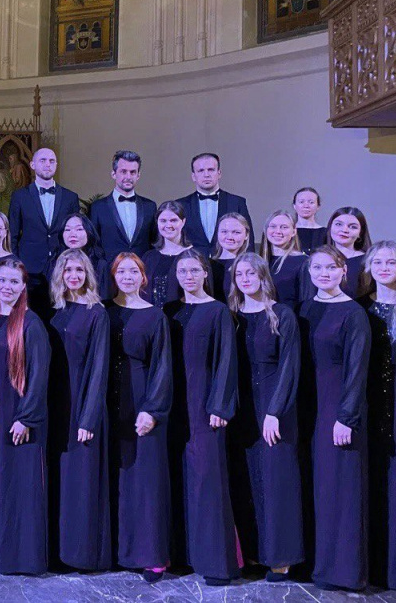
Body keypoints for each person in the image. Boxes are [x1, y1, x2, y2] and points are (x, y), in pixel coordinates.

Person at [226, 253, 304, 582]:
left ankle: (281, 559)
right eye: (239, 274)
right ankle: (255, 553)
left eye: (251, 273)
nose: (245, 279)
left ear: (262, 276)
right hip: (242, 409)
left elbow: (290, 366)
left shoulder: (281, 314)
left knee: (276, 482)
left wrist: (275, 411)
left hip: (273, 407)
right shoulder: (231, 316)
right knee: (247, 480)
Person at [165, 248, 239, 586]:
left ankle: (215, 563)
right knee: (177, 478)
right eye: (183, 271)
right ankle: (182, 556)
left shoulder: (218, 311)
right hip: (173, 406)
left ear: (206, 273)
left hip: (204, 405)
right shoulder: (170, 311)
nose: (188, 276)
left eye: (194, 270)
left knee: (207, 479)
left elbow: (226, 360)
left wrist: (219, 406)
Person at [298, 246, 370, 591]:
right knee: (314, 488)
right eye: (317, 268)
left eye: (330, 267)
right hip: (306, 409)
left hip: (336, 408)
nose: (323, 273)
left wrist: (346, 416)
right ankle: (314, 564)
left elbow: (357, 369)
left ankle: (342, 572)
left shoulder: (353, 313)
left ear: (344, 271)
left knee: (339, 488)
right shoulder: (303, 308)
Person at [0, 258, 49, 575]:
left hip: (17, 417)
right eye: (3, 280)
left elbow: (39, 375)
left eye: (14, 282)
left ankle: (21, 558)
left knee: (19, 487)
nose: (7, 286)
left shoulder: (31, 324)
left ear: (23, 287)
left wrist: (26, 418)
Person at [106, 252, 172, 583]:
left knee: (145, 478)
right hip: (108, 400)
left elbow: (162, 366)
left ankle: (151, 556)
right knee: (114, 475)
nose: (128, 277)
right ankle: (117, 552)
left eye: (134, 271)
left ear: (143, 278)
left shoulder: (155, 315)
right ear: (113, 276)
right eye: (122, 271)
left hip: (142, 399)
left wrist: (152, 410)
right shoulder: (103, 311)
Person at [47, 249, 111, 572]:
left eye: (79, 270)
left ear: (88, 274)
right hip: (56, 409)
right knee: (60, 481)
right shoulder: (55, 312)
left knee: (82, 482)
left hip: (82, 410)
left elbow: (99, 368)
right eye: (68, 270)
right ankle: (59, 553)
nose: (74, 276)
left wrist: (88, 418)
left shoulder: (96, 313)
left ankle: (83, 556)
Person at [363, 240, 396, 589]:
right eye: (378, 262)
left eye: (391, 262)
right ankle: (373, 567)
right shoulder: (360, 307)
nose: (384, 268)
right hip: (369, 402)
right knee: (372, 478)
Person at [8, 148, 80, 317]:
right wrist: (17, 264)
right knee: (30, 320)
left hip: (61, 268)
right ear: (32, 165)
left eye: (52, 161)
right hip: (29, 269)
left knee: (61, 319)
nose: (48, 164)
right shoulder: (20, 196)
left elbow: (75, 236)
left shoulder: (70, 197)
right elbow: (12, 234)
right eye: (43, 160)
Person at [176, 153, 252, 255]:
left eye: (211, 170)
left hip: (229, 261)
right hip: (193, 261)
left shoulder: (237, 202)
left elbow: (249, 239)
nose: (206, 175)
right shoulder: (180, 205)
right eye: (201, 171)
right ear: (193, 176)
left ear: (219, 173)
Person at [90, 151, 157, 261]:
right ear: (113, 174)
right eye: (123, 171)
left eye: (132, 172)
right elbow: (94, 244)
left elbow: (154, 242)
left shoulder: (150, 206)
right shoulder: (98, 207)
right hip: (109, 269)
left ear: (138, 175)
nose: (128, 177)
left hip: (142, 268)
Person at [142, 201, 192, 306]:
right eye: (163, 221)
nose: (168, 225)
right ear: (157, 222)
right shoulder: (149, 257)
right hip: (152, 315)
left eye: (173, 220)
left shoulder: (194, 256)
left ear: (183, 222)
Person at [259, 209, 312, 308]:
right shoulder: (259, 261)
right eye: (273, 226)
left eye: (284, 227)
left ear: (294, 232)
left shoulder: (303, 262)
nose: (278, 231)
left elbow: (307, 301)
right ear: (266, 230)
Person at [59, 213, 110, 296]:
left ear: (89, 232)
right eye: (67, 230)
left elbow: (105, 297)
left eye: (79, 229)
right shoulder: (54, 263)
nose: (72, 234)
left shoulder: (100, 265)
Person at [326, 206, 372, 298]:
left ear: (360, 233)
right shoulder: (318, 258)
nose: (344, 230)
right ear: (330, 227)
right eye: (339, 224)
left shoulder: (368, 261)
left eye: (353, 227)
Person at [209, 213, 251, 302]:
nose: (229, 237)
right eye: (224, 232)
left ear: (246, 235)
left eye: (236, 232)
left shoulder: (252, 265)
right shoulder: (207, 265)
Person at [293, 187, 326, 254]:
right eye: (301, 202)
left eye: (311, 202)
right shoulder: (289, 232)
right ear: (294, 206)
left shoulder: (326, 232)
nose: (306, 206)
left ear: (318, 206)